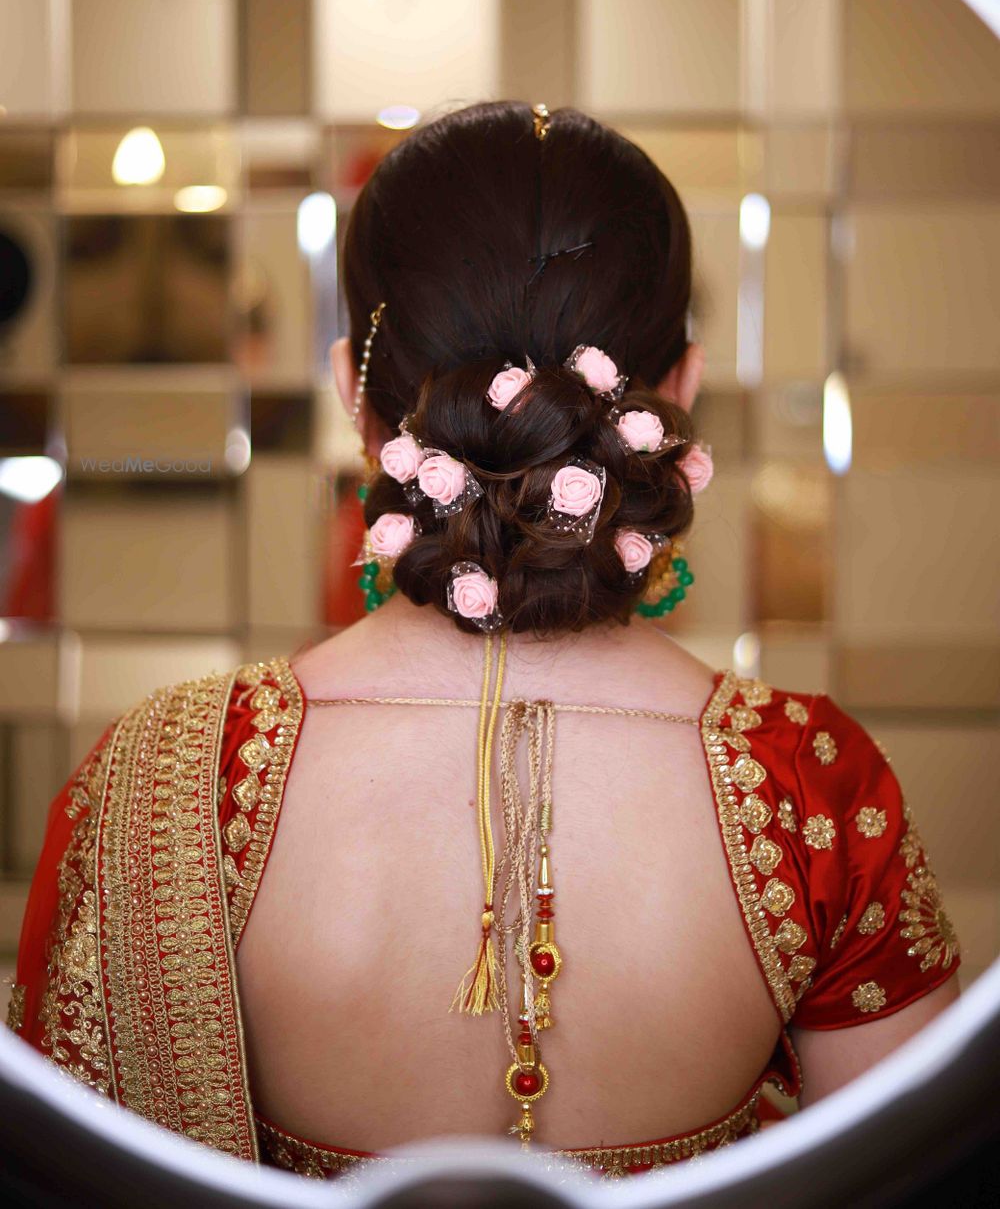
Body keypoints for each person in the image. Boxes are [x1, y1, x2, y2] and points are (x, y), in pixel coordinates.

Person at [7, 102, 961, 1180]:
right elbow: (915, 1174)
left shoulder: (161, 779)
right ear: (680, 395)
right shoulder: (812, 786)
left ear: (348, 396)